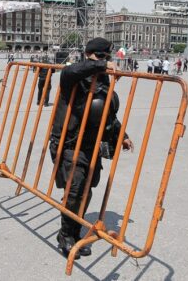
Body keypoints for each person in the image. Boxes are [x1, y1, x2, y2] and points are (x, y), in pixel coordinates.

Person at [49, 38, 133, 259]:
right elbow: (69, 72)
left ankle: (75, 234)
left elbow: (106, 114)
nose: (104, 62)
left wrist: (121, 135)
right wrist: (99, 66)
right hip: (69, 143)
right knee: (74, 190)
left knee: (86, 191)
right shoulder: (73, 76)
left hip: (91, 146)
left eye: (107, 58)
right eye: (100, 57)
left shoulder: (103, 79)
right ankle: (65, 236)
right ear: (89, 55)